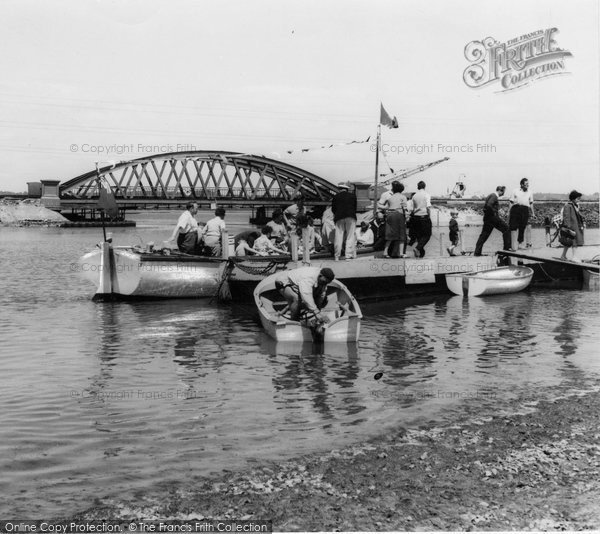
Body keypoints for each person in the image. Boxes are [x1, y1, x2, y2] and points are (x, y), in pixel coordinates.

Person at [474, 186, 512, 256]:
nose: (503, 194)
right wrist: (494, 213)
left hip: (487, 218)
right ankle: (507, 249)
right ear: (500, 191)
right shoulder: (494, 196)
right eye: (503, 192)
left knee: (484, 235)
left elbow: (486, 207)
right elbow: (489, 205)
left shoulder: (490, 195)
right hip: (492, 218)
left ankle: (477, 252)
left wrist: (488, 212)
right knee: (506, 228)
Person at [382, 181, 408, 258]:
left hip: (389, 214)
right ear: (401, 190)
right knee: (401, 235)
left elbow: (384, 206)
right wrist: (406, 218)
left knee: (390, 234)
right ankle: (401, 253)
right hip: (398, 214)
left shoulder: (390, 197)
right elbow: (405, 209)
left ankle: (385, 252)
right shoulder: (403, 197)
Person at [332, 183, 357, 260]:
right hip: (350, 217)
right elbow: (355, 207)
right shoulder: (352, 196)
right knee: (350, 236)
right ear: (347, 189)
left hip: (339, 217)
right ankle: (348, 256)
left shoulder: (336, 197)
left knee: (338, 236)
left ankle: (337, 256)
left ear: (340, 189)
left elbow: (333, 209)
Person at [509, 177, 534, 250]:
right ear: (521, 184)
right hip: (515, 208)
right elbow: (511, 202)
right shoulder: (515, 191)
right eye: (526, 184)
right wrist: (509, 212)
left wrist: (533, 213)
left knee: (522, 227)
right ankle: (512, 245)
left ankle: (520, 243)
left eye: (528, 184)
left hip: (525, 209)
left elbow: (531, 203)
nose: (528, 185)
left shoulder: (530, 192)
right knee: (513, 227)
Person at [408, 180, 432, 258]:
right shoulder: (426, 194)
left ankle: (421, 254)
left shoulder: (414, 196)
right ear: (424, 186)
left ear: (418, 187)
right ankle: (417, 248)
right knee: (427, 235)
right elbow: (428, 207)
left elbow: (412, 208)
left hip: (415, 217)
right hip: (424, 216)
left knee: (419, 236)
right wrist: (429, 216)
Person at [559, 190, 585, 261]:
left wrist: (582, 223)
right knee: (574, 242)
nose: (579, 200)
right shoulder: (568, 206)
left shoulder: (575, 205)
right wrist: (569, 229)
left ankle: (563, 255)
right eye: (577, 198)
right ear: (573, 198)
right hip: (572, 227)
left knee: (568, 243)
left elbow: (578, 216)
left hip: (576, 226)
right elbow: (566, 218)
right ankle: (574, 257)